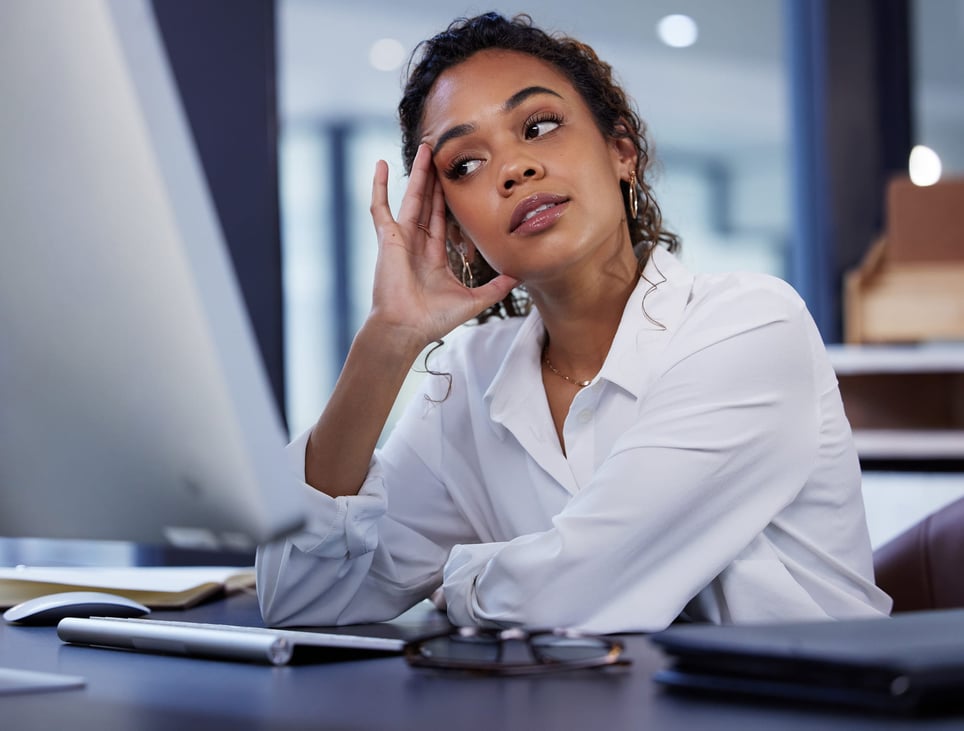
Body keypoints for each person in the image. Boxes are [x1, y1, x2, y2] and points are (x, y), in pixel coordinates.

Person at [256, 12, 892, 633]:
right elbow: (299, 595)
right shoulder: (468, 377)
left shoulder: (749, 325)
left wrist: (452, 582)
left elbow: (579, 589)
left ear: (622, 152)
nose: (513, 169)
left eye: (539, 125)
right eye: (466, 166)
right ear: (457, 228)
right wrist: (387, 341)